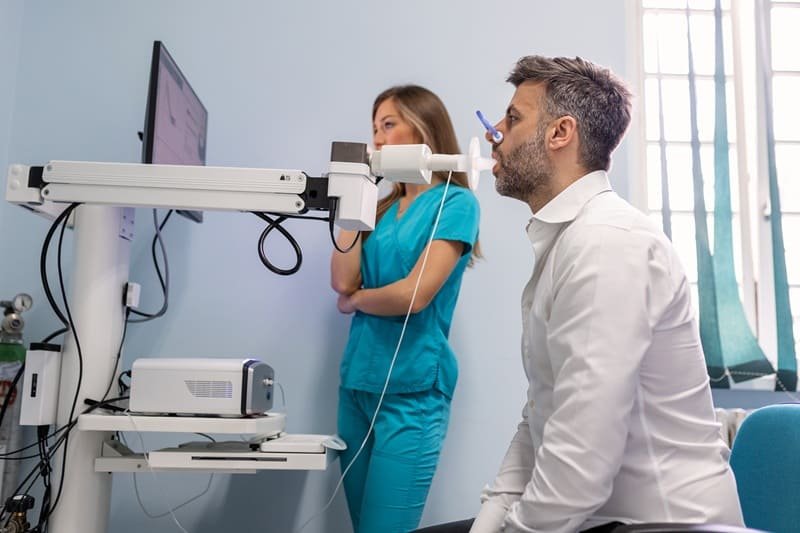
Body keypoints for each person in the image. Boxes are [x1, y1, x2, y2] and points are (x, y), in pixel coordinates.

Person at [417, 55, 745, 533]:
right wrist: (488, 526)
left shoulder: (607, 245)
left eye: (513, 118)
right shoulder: (567, 242)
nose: (496, 135)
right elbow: (539, 424)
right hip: (597, 517)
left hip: (663, 524)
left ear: (560, 133)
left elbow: (579, 463)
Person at [331, 85, 481, 533]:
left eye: (388, 125)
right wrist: (351, 194)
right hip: (356, 387)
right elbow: (341, 278)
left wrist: (357, 301)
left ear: (424, 128)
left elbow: (415, 295)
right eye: (374, 128)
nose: (377, 139)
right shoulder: (377, 207)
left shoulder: (456, 203)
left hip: (412, 395)